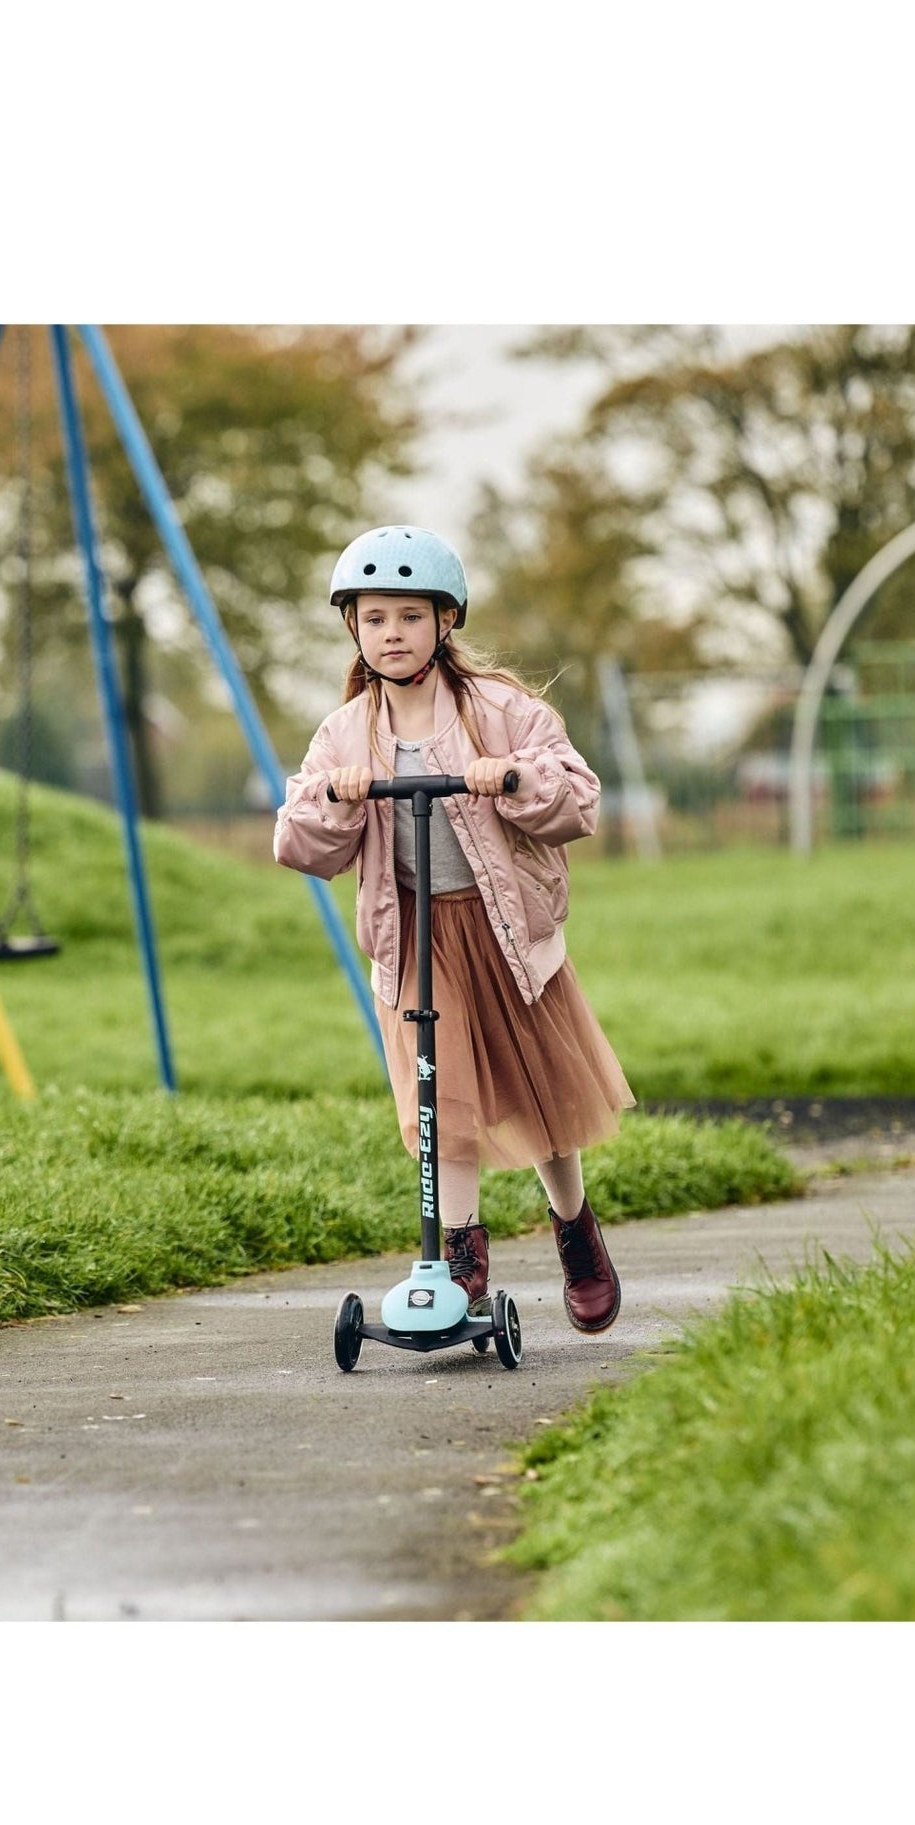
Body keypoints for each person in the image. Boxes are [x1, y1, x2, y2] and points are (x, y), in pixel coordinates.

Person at [273, 526, 631, 1332]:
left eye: (408, 616)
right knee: (443, 1099)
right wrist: (336, 799)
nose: (391, 634)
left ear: (445, 622)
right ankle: (458, 1255)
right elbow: (297, 842)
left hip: (503, 934)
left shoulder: (502, 712)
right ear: (353, 630)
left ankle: (575, 1227)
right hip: (414, 940)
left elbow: (577, 800)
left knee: (544, 1093)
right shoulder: (344, 733)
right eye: (373, 619)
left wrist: (513, 779)